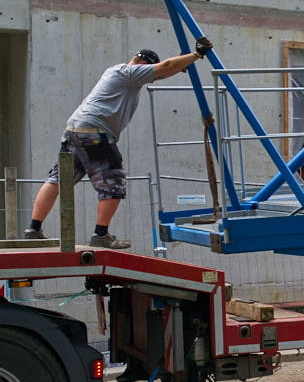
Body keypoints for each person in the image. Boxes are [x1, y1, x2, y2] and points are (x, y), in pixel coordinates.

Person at [24, 38, 213, 248]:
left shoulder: (118, 73)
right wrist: (197, 55)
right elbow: (164, 67)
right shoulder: (129, 73)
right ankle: (101, 235)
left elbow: (164, 71)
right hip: (95, 133)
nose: (152, 78)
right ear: (143, 64)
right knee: (112, 183)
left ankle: (34, 229)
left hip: (74, 131)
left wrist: (183, 63)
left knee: (59, 179)